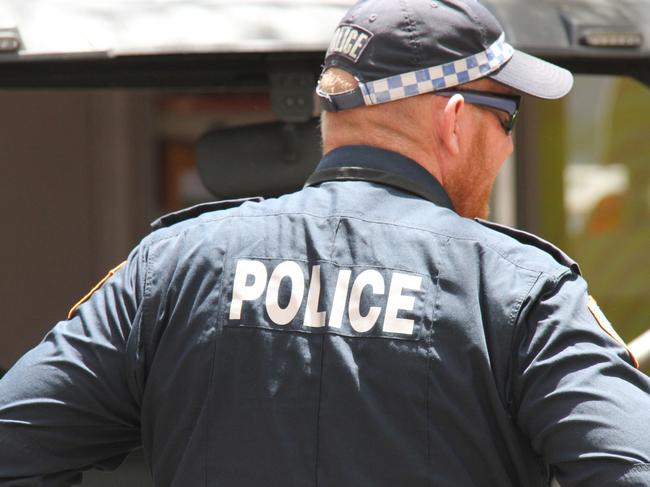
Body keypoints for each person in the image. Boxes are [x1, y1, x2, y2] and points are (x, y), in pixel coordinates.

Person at [1, 0, 649, 485]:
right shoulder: (520, 289)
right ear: (454, 121)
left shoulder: (169, 270)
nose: (508, 144)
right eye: (505, 116)